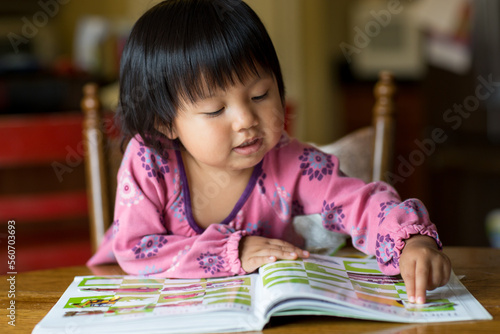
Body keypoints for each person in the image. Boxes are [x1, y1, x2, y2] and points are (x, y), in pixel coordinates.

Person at [87, 0, 451, 305]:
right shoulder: (150, 161)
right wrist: (233, 252)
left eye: (260, 95)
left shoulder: (289, 161)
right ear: (164, 123)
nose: (246, 120)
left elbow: (358, 203)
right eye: (215, 110)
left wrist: (410, 240)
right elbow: (137, 250)